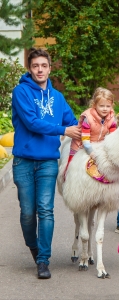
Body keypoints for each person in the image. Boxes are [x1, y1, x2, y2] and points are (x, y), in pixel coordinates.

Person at [11, 48, 81, 279]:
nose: (40, 69)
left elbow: (73, 123)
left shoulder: (58, 98)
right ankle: (33, 245)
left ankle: (43, 260)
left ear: (50, 68)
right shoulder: (21, 92)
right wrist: (63, 130)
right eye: (35, 66)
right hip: (23, 161)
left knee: (46, 210)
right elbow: (32, 123)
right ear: (30, 69)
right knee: (28, 213)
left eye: (44, 65)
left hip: (48, 162)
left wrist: (96, 122)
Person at [68, 87, 117, 163]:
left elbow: (113, 136)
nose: (105, 109)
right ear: (94, 105)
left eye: (108, 106)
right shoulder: (88, 118)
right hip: (80, 146)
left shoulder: (111, 119)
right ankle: (65, 172)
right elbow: (85, 139)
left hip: (97, 146)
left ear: (112, 106)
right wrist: (91, 152)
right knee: (72, 165)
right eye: (101, 106)